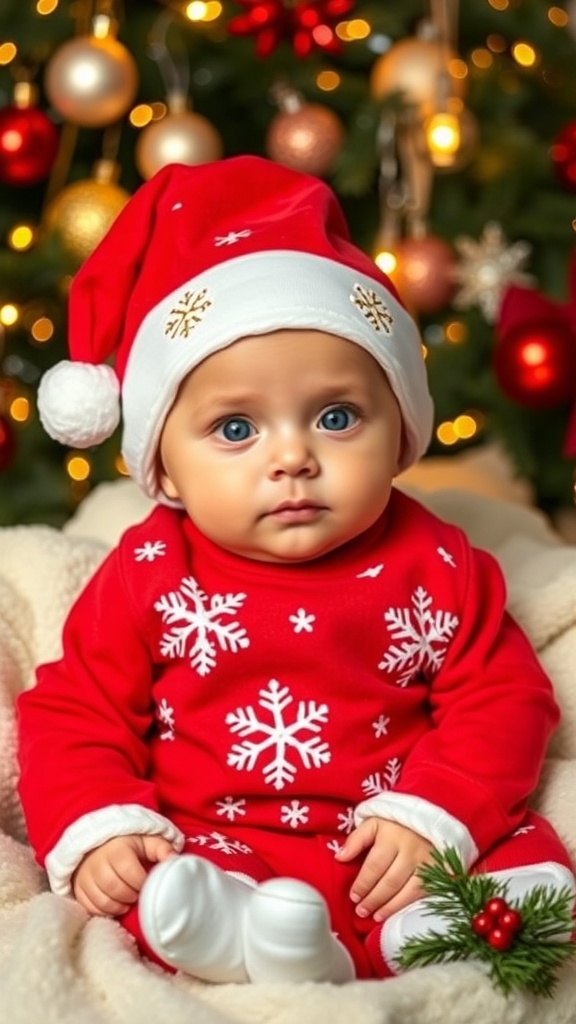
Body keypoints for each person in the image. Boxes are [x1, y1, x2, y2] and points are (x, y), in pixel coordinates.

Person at [17, 155, 575, 985]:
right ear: (164, 469)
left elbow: (503, 697)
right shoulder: (150, 570)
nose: (292, 458)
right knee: (160, 886)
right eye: (236, 429)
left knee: (512, 862)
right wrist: (103, 823)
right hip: (221, 837)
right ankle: (240, 932)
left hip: (393, 834)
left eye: (337, 416)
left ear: (401, 432)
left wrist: (439, 811)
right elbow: (74, 712)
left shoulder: (438, 562)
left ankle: (430, 927)